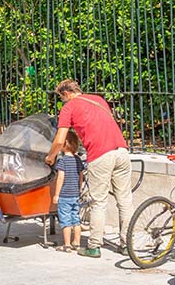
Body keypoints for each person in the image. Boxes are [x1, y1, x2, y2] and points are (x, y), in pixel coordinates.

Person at [45, 79, 132, 258]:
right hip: (122, 151)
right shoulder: (99, 100)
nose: (62, 101)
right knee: (125, 201)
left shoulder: (68, 108)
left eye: (61, 98)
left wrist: (51, 156)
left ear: (66, 94)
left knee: (98, 202)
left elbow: (60, 139)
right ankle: (126, 244)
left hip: (100, 155)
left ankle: (94, 246)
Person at [52, 132, 85, 253]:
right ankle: (76, 242)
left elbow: (60, 178)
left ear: (64, 144)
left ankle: (67, 245)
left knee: (65, 221)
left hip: (64, 195)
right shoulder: (78, 160)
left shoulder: (62, 161)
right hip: (75, 194)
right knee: (76, 219)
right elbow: (81, 176)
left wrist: (56, 194)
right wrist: (79, 188)